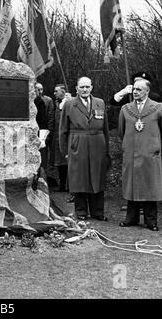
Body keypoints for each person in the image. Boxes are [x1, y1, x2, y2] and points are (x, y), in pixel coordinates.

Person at [118, 79, 162, 231]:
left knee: (150, 187)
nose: (135, 92)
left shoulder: (159, 108)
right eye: (134, 89)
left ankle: (151, 221)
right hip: (131, 155)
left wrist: (153, 145)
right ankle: (131, 219)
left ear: (147, 91)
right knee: (132, 185)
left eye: (139, 90)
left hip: (150, 156)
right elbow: (121, 132)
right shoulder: (125, 109)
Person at [59, 77, 110, 221]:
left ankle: (97, 212)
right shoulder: (69, 105)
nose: (85, 90)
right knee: (79, 178)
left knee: (97, 177)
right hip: (77, 144)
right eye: (82, 87)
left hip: (97, 145)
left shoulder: (100, 103)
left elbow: (105, 128)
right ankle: (81, 212)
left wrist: (106, 149)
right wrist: (65, 151)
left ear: (92, 88)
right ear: (76, 88)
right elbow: (62, 130)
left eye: (87, 87)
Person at [49, 84, 69, 192]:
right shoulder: (56, 103)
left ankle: (68, 186)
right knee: (60, 164)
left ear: (63, 92)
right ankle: (62, 185)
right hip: (57, 137)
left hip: (66, 138)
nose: (54, 93)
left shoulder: (69, 102)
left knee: (66, 162)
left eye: (56, 91)